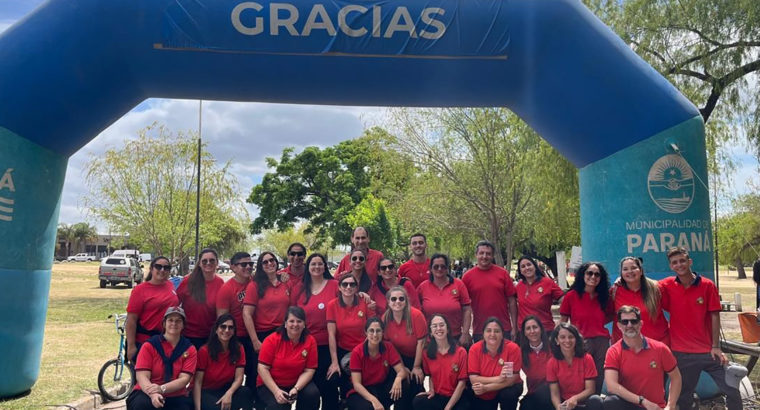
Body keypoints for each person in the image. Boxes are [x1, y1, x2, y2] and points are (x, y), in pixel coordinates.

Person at [659, 247, 741, 410]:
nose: (679, 265)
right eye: (674, 262)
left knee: (732, 391)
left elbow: (715, 315)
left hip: (709, 351)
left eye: (682, 260)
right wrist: (620, 279)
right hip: (682, 353)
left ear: (690, 262)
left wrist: (716, 346)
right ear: (671, 266)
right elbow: (645, 286)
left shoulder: (707, 285)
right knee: (683, 396)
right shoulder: (667, 285)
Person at [603, 305, 681, 410]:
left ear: (640, 324)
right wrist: (642, 401)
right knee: (607, 402)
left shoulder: (660, 348)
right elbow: (611, 386)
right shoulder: (613, 352)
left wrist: (670, 406)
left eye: (634, 321)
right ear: (619, 326)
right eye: (625, 322)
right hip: (630, 405)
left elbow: (676, 377)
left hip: (655, 407)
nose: (629, 325)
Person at [292, 253, 340, 410]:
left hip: (329, 345)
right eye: (313, 264)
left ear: (325, 266)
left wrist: (363, 296)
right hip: (304, 345)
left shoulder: (334, 285)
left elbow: (348, 299)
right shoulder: (299, 288)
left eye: (320, 264)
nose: (317, 267)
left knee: (329, 386)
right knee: (309, 390)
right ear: (308, 267)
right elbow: (292, 313)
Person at [127, 306, 196, 410]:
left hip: (175, 394)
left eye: (178, 321)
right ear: (164, 324)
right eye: (170, 320)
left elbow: (184, 379)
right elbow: (142, 376)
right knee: (141, 405)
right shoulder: (149, 346)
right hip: (146, 391)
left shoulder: (189, 349)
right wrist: (153, 394)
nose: (174, 323)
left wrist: (161, 389)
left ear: (183, 325)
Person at [560, 261, 612, 393]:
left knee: (599, 375)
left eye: (597, 274)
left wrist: (597, 323)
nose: (593, 277)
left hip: (602, 341)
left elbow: (611, 315)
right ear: (582, 275)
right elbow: (563, 322)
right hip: (580, 341)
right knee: (581, 376)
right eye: (589, 273)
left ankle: (594, 403)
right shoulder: (571, 296)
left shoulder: (605, 297)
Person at [242, 252, 291, 389]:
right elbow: (246, 314)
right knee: (256, 374)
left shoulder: (286, 283)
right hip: (262, 335)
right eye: (265, 262)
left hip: (283, 334)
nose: (270, 264)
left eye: (272, 260)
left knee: (278, 372)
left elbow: (291, 310)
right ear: (260, 266)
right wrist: (255, 341)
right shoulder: (255, 285)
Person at [257, 306, 320, 410]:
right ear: (285, 324)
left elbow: (309, 370)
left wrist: (296, 388)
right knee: (280, 406)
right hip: (271, 385)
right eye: (291, 321)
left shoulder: (310, 341)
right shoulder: (271, 340)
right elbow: (262, 368)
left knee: (312, 393)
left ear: (304, 324)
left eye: (299, 321)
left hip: (296, 383)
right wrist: (276, 391)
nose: (295, 324)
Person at [327, 272, 376, 398]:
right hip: (343, 350)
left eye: (352, 284)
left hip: (364, 350)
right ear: (339, 287)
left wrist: (366, 352)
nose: (348, 287)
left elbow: (372, 329)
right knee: (334, 380)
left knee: (362, 384)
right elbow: (331, 334)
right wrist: (334, 362)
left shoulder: (365, 302)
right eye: (345, 284)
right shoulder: (332, 305)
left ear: (356, 287)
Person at [346, 318, 410, 410]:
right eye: (371, 331)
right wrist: (374, 400)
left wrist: (398, 378)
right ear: (366, 333)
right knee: (369, 408)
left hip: (380, 388)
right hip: (361, 391)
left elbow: (402, 370)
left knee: (403, 383)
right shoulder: (357, 352)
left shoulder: (388, 347)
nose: (375, 334)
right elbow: (357, 384)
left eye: (378, 331)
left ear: (383, 332)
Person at [193, 314, 253, 410]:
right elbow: (197, 382)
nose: (226, 330)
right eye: (223, 326)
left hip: (225, 388)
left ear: (234, 331)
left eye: (230, 327)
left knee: (245, 392)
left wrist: (229, 394)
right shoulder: (204, 350)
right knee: (218, 408)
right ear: (216, 330)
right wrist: (197, 408)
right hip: (206, 391)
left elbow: (239, 378)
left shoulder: (239, 348)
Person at [126, 256, 180, 362]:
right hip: (146, 342)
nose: (162, 270)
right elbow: (131, 320)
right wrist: (131, 346)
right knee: (144, 376)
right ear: (151, 269)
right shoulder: (140, 290)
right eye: (158, 267)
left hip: (167, 341)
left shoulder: (170, 285)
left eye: (166, 268)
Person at [462, 241, 517, 342]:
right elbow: (464, 306)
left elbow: (512, 301)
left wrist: (515, 326)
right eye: (481, 253)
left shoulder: (503, 274)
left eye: (488, 253)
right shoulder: (467, 277)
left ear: (492, 256)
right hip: (480, 329)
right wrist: (465, 331)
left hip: (503, 328)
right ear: (476, 255)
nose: (484, 256)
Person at [413, 314, 470, 410]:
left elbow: (462, 384)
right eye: (434, 326)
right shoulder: (427, 353)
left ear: (447, 329)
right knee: (418, 401)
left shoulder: (461, 352)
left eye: (442, 325)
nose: (438, 328)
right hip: (439, 396)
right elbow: (430, 376)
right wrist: (431, 390)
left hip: (457, 397)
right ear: (431, 332)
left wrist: (447, 408)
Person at [381, 286, 427, 402]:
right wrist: (401, 367)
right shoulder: (385, 319)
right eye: (394, 299)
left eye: (401, 299)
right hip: (399, 358)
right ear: (388, 302)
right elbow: (390, 347)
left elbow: (421, 343)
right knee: (402, 386)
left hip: (418, 356)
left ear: (406, 301)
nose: (397, 302)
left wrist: (416, 367)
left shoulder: (416, 315)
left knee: (416, 381)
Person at [609, 257, 669, 345]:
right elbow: (605, 315)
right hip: (625, 348)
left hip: (657, 346)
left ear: (641, 271)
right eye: (625, 269)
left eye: (633, 268)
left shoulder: (656, 288)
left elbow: (675, 310)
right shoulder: (615, 291)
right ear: (621, 274)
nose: (630, 271)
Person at [417, 254, 473, 347]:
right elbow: (416, 313)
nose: (439, 269)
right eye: (436, 267)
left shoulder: (458, 285)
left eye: (443, 266)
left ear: (447, 268)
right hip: (431, 339)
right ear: (430, 269)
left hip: (455, 338)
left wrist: (465, 333)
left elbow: (467, 310)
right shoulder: (422, 287)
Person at [467, 317, 523, 410]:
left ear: (502, 335)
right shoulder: (475, 349)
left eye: (497, 331)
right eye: (488, 331)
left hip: (508, 386)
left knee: (508, 394)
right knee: (475, 393)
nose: (492, 334)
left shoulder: (513, 348)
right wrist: (499, 378)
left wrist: (487, 388)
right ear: (483, 334)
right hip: (486, 387)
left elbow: (510, 380)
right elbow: (474, 380)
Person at [216, 251, 254, 385]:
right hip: (236, 337)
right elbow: (221, 318)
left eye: (251, 264)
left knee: (254, 374)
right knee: (233, 376)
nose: (248, 267)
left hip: (255, 335)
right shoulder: (226, 289)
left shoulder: (256, 282)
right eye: (244, 264)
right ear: (233, 267)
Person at [546, 323, 603, 410]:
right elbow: (555, 393)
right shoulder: (552, 363)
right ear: (557, 340)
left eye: (571, 337)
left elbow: (590, 389)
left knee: (596, 400)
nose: (567, 340)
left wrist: (575, 398)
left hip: (584, 403)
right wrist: (558, 407)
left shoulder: (587, 359)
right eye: (562, 337)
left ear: (576, 339)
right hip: (564, 403)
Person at [178, 248, 225, 348]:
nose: (208, 263)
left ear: (217, 262)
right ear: (199, 263)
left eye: (212, 260)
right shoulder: (188, 281)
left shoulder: (221, 283)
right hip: (188, 336)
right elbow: (174, 304)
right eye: (204, 261)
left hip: (211, 336)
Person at [515, 256, 564, 332]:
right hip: (524, 331)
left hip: (545, 330)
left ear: (535, 266)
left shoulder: (547, 283)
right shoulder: (518, 286)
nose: (527, 268)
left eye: (529, 264)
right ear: (520, 271)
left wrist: (562, 320)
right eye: (523, 266)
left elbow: (565, 301)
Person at [517, 316, 553, 409]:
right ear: (524, 333)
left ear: (541, 329)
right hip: (533, 393)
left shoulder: (553, 348)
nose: (532, 331)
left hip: (553, 393)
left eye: (535, 327)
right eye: (528, 328)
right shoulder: (520, 352)